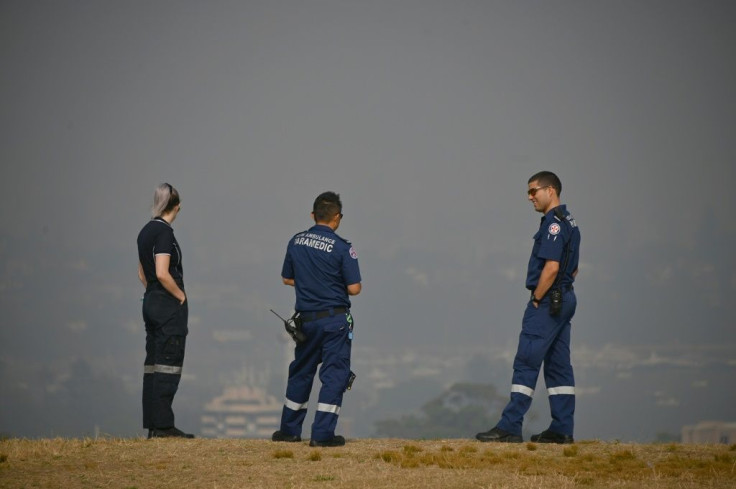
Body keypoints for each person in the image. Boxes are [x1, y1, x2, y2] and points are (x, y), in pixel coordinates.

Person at [476, 171, 581, 444]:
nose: (529, 197)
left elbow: (552, 267)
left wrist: (537, 298)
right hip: (565, 298)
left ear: (551, 190)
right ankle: (562, 429)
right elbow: (574, 268)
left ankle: (510, 426)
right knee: (559, 367)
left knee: (526, 361)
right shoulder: (570, 222)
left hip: (548, 302)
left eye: (534, 191)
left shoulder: (553, 225)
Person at [272, 191, 362, 447]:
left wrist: (313, 283)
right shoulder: (343, 247)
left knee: (301, 371)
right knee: (334, 375)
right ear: (337, 218)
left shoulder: (296, 241)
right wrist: (329, 285)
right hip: (334, 320)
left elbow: (287, 278)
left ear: (313, 216)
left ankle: (289, 431)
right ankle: (322, 435)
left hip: (306, 321)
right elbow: (355, 288)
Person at [136, 183, 194, 439]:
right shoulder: (164, 233)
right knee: (169, 362)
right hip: (167, 304)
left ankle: (153, 423)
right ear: (177, 206)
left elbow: (142, 273)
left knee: (153, 364)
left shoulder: (145, 231)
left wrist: (153, 294)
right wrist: (179, 295)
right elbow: (162, 271)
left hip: (150, 300)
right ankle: (163, 426)